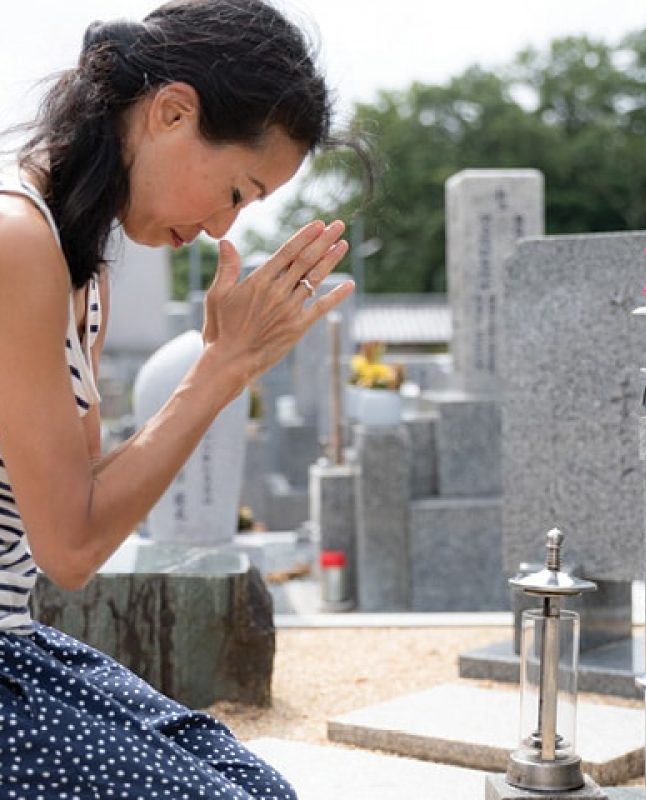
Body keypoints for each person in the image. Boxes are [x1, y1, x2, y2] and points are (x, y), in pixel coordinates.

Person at [0, 1, 356, 797]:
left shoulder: (76, 264)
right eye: (235, 189)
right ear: (170, 111)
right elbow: (72, 547)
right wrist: (218, 373)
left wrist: (220, 367)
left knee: (259, 787)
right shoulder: (16, 241)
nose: (220, 227)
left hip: (16, 643)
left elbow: (82, 498)